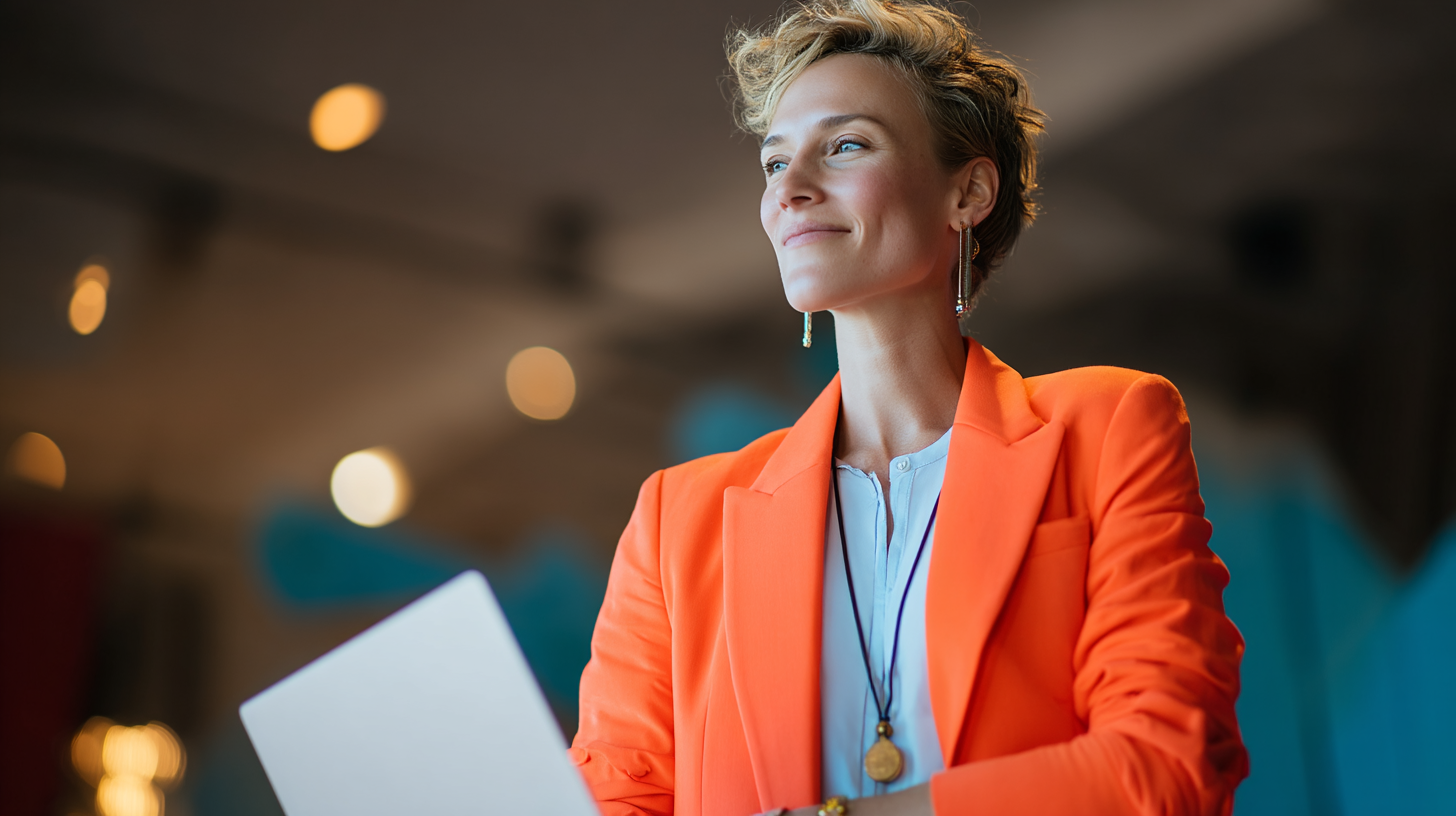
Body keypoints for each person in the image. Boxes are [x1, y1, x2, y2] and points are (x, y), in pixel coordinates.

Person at [569, 1, 1248, 814]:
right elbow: (613, 801)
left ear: (969, 191)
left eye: (846, 144)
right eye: (774, 163)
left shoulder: (1110, 426)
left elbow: (1165, 765)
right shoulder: (677, 520)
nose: (791, 189)